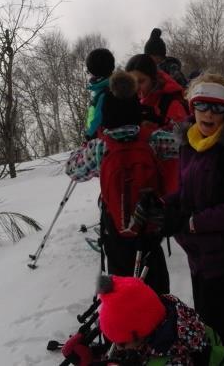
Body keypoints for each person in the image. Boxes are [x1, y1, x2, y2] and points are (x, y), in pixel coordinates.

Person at [138, 74, 224, 365]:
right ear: (192, 108)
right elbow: (185, 193)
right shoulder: (189, 143)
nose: (208, 113)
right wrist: (159, 203)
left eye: (217, 107)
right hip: (199, 254)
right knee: (207, 325)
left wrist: (189, 223)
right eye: (202, 105)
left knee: (222, 331)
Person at [65, 71, 177, 294]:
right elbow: (182, 146)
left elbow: (73, 170)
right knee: (155, 279)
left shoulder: (100, 148)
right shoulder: (153, 139)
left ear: (107, 116)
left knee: (120, 283)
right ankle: (159, 314)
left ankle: (124, 320)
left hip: (115, 228)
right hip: (149, 223)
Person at [61, 275, 224, 366]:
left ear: (140, 333)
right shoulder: (163, 322)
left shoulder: (174, 361)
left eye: (121, 344)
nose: (118, 348)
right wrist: (93, 357)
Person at [126, 54, 188, 195]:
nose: (136, 87)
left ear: (153, 79)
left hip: (173, 181)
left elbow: (184, 142)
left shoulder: (171, 102)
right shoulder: (134, 102)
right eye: (131, 82)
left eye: (141, 81)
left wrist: (152, 131)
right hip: (150, 176)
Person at [84, 48, 116, 140]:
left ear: (92, 72)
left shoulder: (105, 94)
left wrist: (89, 135)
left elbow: (98, 119)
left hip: (101, 140)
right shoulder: (110, 87)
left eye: (88, 71)